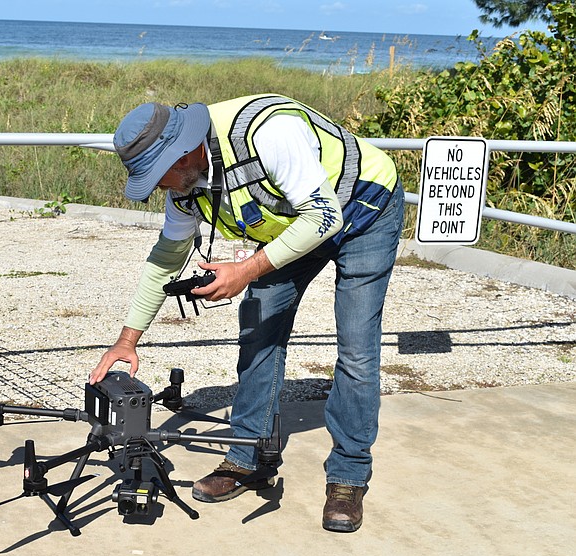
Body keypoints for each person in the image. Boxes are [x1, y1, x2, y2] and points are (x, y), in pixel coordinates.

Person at [89, 94, 404, 533]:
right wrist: (128, 339)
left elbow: (325, 216)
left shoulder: (268, 132)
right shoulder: (186, 182)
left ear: (187, 152)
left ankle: (348, 478)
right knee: (258, 334)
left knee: (356, 349)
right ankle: (246, 457)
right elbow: (166, 256)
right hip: (295, 225)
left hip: (363, 208)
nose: (161, 187)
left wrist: (247, 270)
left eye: (159, 175)